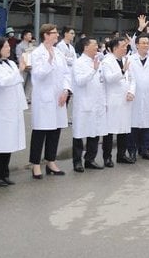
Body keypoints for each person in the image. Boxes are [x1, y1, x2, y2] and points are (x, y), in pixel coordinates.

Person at [0, 36, 27, 187]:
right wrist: (19, 71)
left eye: (9, 46)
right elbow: (2, 82)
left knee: (8, 143)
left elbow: (17, 84)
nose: (9, 49)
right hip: (0, 110)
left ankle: (4, 173)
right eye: (6, 47)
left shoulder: (9, 63)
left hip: (12, 108)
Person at [29, 23, 71, 179]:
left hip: (59, 98)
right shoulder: (37, 53)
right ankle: (35, 164)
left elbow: (67, 74)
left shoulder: (59, 52)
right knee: (40, 131)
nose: (57, 35)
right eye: (54, 33)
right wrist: (49, 61)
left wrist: (66, 90)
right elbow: (38, 75)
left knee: (55, 131)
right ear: (46, 35)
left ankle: (51, 161)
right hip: (43, 99)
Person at [71, 38, 107, 171]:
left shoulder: (98, 61)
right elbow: (80, 81)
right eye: (94, 45)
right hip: (84, 103)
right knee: (80, 133)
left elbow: (102, 82)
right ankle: (77, 161)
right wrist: (92, 70)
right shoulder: (79, 63)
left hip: (97, 102)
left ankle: (90, 159)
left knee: (95, 132)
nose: (97, 47)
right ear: (86, 47)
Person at [15, 29, 34, 103]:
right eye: (29, 35)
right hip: (24, 66)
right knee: (22, 82)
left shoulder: (31, 45)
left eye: (30, 35)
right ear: (24, 36)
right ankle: (19, 98)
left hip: (31, 66)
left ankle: (27, 97)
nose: (30, 36)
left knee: (30, 83)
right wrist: (24, 64)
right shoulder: (20, 46)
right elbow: (19, 56)